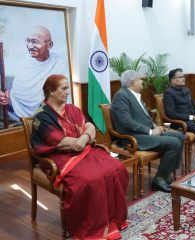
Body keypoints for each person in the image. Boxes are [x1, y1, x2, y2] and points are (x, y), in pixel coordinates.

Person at [31, 75, 128, 240]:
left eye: (68, 88)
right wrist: (84, 139)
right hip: (57, 157)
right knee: (90, 179)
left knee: (116, 168)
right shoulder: (42, 116)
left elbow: (89, 126)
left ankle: (112, 218)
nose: (68, 92)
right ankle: (89, 227)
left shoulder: (71, 109)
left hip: (83, 149)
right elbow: (62, 143)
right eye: (64, 88)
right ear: (51, 91)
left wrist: (84, 138)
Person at [111, 70, 185, 193]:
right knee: (174, 143)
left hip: (145, 132)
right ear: (133, 82)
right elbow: (127, 122)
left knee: (180, 136)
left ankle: (167, 174)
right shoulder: (121, 96)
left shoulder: (135, 94)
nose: (142, 81)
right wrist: (150, 132)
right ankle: (159, 179)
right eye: (140, 79)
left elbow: (145, 117)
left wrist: (156, 127)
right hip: (132, 137)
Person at [0, 26, 69, 122]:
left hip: (53, 119)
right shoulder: (23, 64)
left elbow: (63, 95)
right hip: (22, 119)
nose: (30, 45)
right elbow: (16, 96)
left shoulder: (59, 64)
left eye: (35, 42)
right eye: (28, 41)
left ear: (49, 45)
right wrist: (7, 98)